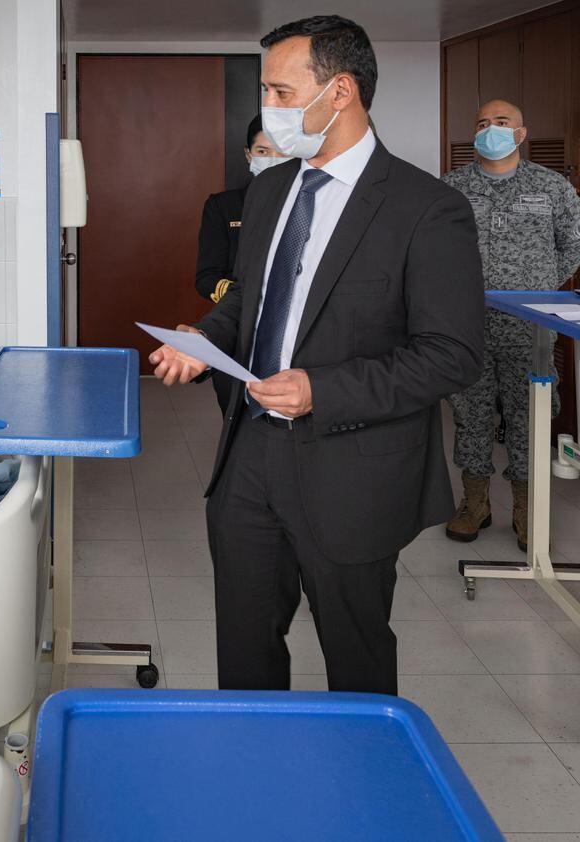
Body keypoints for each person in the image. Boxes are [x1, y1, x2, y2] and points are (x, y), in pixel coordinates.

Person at [147, 15, 483, 695]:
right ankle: (258, 774)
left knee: (354, 656)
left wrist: (321, 389)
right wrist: (208, 340)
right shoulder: (272, 190)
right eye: (264, 91)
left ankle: (358, 782)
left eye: (278, 91)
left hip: (351, 467)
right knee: (244, 647)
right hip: (249, 457)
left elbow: (452, 355)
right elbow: (249, 296)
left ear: (340, 93)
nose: (266, 108)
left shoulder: (427, 209)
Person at [441, 100, 580, 550]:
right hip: (468, 324)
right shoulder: (452, 187)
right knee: (471, 416)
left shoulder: (551, 185)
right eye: (482, 123)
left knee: (530, 418)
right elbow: (432, 250)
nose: (491, 130)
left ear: (521, 134)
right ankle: (475, 504)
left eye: (501, 123)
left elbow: (573, 244)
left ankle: (527, 508)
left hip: (530, 329)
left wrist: (536, 288)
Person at [194, 115, 288, 414]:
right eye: (262, 152)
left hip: (292, 334)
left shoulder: (309, 202)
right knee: (238, 416)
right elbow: (206, 277)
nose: (272, 160)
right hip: (238, 332)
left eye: (281, 151)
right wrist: (243, 300)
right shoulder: (224, 206)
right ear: (249, 155)